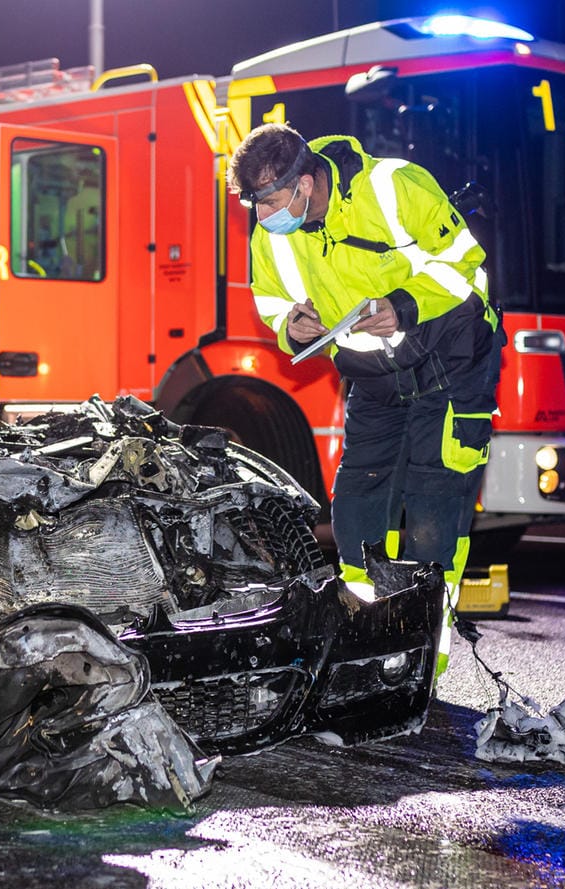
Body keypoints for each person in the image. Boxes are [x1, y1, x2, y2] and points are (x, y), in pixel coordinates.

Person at [227, 123, 504, 671]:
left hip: (449, 364)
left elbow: (463, 262)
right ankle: (366, 638)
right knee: (355, 510)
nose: (264, 218)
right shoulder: (271, 233)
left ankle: (426, 655)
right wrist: (292, 325)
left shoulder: (394, 185)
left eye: (272, 202)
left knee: (431, 512)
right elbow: (271, 299)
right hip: (374, 378)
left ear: (305, 183)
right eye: (255, 207)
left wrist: (403, 304)